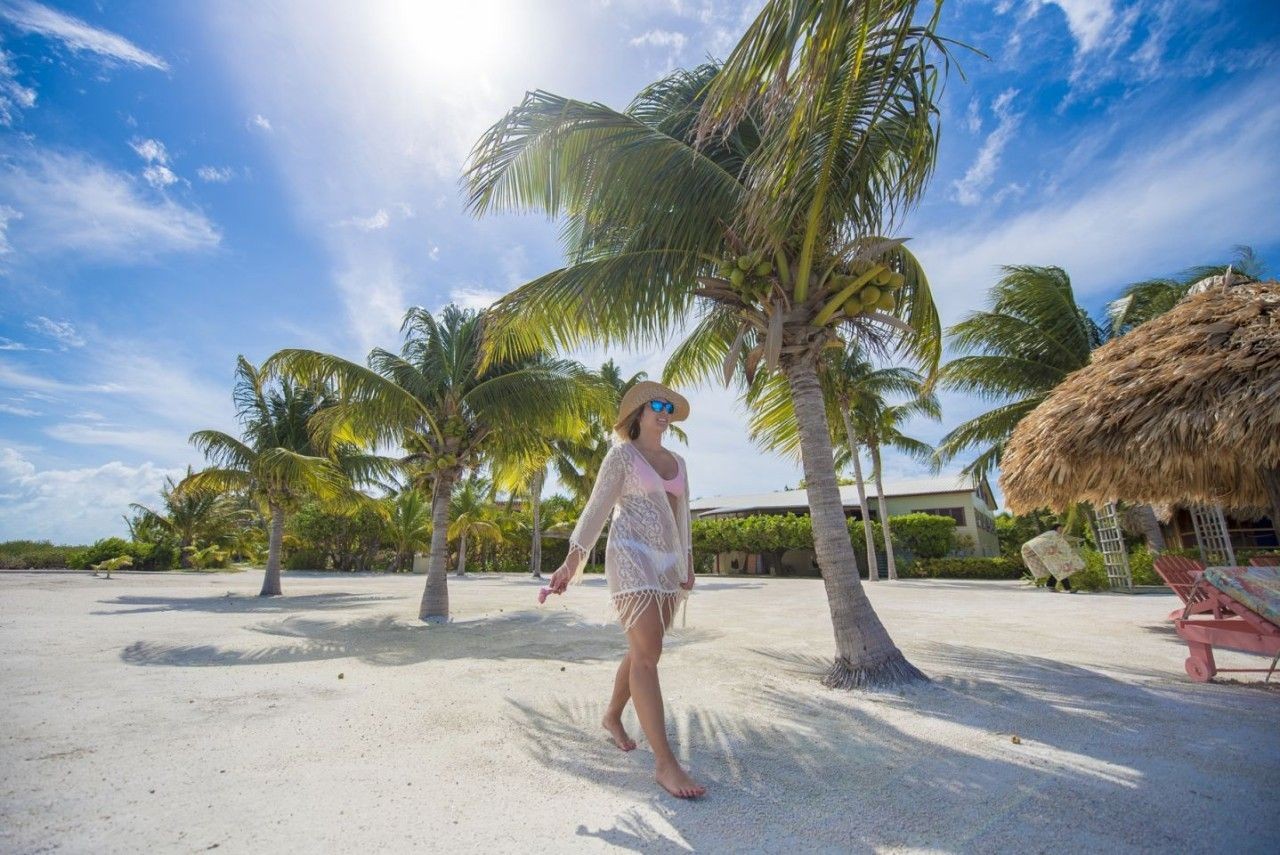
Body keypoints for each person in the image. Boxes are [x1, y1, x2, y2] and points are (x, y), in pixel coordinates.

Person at [544, 380, 704, 799]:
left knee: (640, 651)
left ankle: (613, 716)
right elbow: (596, 509)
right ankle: (665, 764)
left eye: (669, 406)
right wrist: (571, 561)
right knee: (650, 654)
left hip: (667, 563)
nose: (664, 411)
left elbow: (681, 516)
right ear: (638, 412)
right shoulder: (621, 456)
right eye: (657, 404)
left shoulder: (678, 461)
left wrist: (687, 564)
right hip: (630, 556)